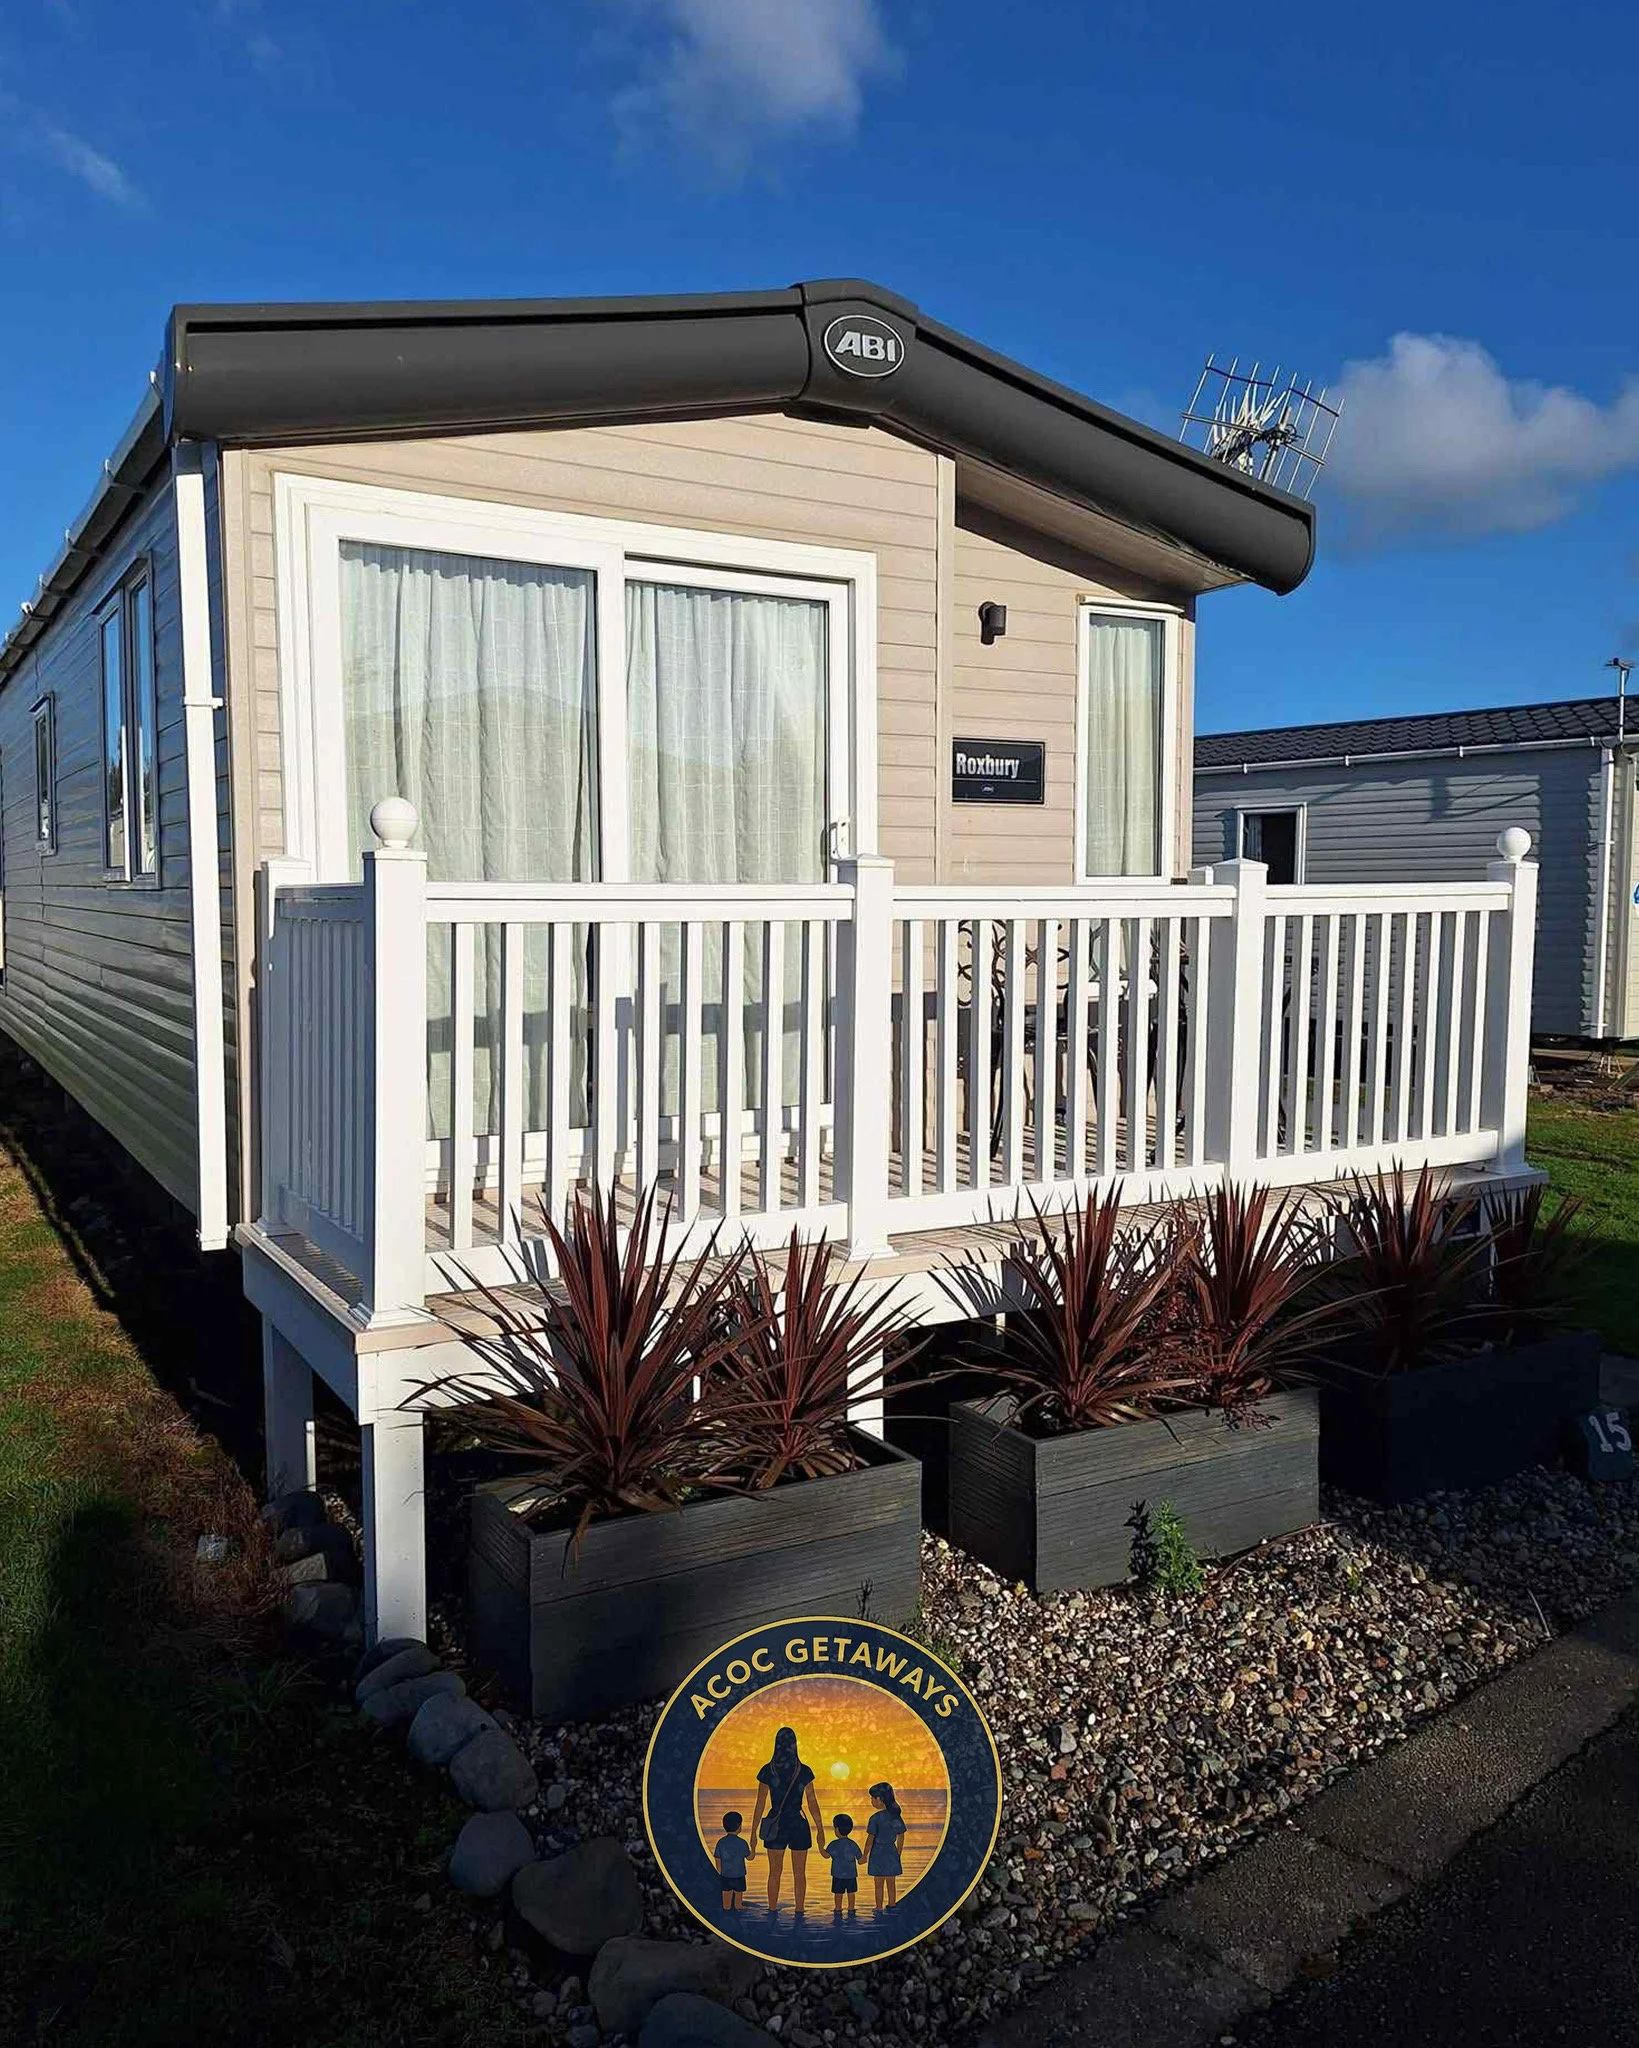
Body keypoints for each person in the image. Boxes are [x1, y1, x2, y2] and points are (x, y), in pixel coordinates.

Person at [747, 1724, 823, 1913]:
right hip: (798, 1823)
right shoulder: (803, 1770)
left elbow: (760, 1804)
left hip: (776, 1825)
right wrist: (820, 1828)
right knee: (799, 1874)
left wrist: (754, 1832)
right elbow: (812, 1802)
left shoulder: (768, 1770)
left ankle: (772, 1910)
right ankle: (799, 1910)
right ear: (794, 1745)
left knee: (774, 1872)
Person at [866, 1781, 906, 1908]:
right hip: (891, 1851)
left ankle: (878, 1907)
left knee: (878, 1883)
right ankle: (892, 1904)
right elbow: (901, 1836)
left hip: (878, 1852)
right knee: (891, 1882)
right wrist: (898, 1853)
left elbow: (870, 1839)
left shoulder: (875, 1818)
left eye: (872, 1798)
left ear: (880, 1799)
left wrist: (864, 1855)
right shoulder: (895, 1817)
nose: (871, 1801)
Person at [823, 1813, 863, 1917]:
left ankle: (838, 1909)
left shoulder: (834, 1844)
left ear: (836, 1829)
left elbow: (826, 1855)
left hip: (838, 1875)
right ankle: (851, 1909)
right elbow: (860, 1858)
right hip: (851, 1875)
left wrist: (820, 1846)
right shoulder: (853, 1844)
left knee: (838, 1894)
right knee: (851, 1893)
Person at [714, 1810, 753, 1910]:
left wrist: (719, 1872)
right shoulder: (742, 1843)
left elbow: (717, 1859)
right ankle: (738, 1906)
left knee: (726, 1898)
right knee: (738, 1896)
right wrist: (753, 1849)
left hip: (726, 1875)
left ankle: (726, 1909)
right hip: (739, 1875)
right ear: (739, 1826)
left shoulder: (721, 1842)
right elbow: (749, 1857)